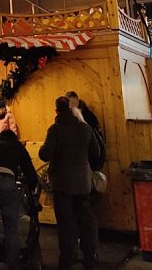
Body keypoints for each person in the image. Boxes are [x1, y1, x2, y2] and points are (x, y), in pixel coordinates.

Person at [40, 96, 102, 270]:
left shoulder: (55, 129)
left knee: (66, 223)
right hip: (83, 183)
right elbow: (96, 152)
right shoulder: (85, 128)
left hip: (62, 184)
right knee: (86, 221)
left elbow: (45, 154)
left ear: (56, 110)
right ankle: (91, 256)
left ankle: (67, 258)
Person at [0, 128, 38, 270]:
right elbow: (29, 171)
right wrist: (33, 187)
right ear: (14, 137)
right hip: (6, 179)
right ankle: (13, 265)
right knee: (10, 227)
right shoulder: (17, 146)